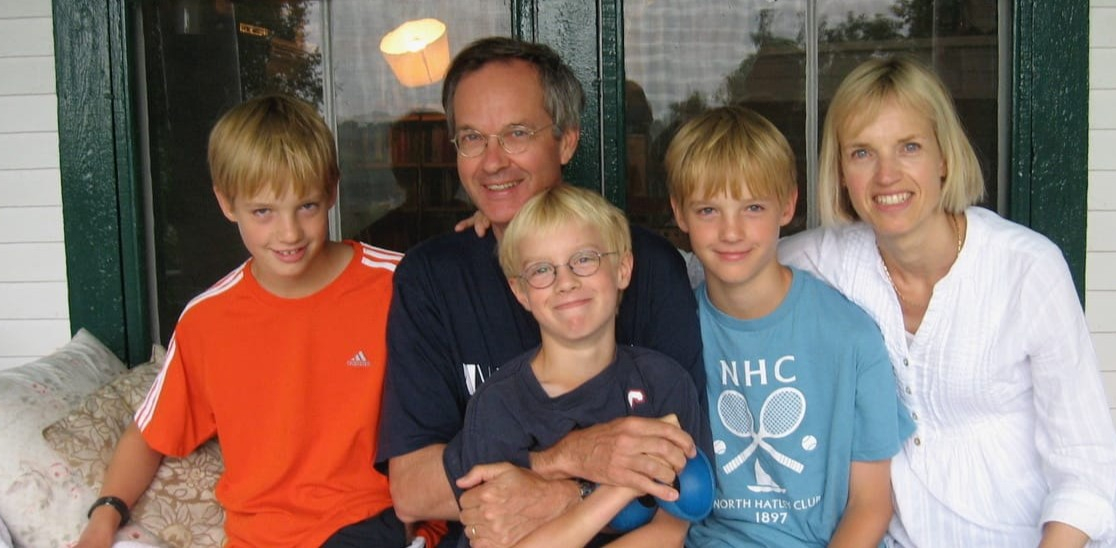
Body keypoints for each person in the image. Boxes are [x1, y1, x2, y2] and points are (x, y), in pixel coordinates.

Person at [778, 57, 1116, 546]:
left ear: (944, 157)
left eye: (909, 147)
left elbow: (1086, 463)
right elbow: (734, 257)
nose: (887, 175)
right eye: (862, 153)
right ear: (841, 172)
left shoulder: (1027, 269)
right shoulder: (830, 261)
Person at [76, 94, 443, 548]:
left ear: (332, 190)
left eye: (307, 206)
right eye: (263, 212)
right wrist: (103, 518)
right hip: (259, 539)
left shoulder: (400, 286)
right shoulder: (207, 320)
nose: (289, 233)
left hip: (376, 527)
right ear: (226, 202)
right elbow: (149, 434)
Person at [380, 36, 704, 548]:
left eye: (517, 133)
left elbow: (684, 481)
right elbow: (413, 491)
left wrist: (563, 496)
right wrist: (568, 459)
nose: (492, 162)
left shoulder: (647, 266)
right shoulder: (432, 279)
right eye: (472, 138)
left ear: (567, 141)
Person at [665, 106, 914, 547]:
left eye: (753, 207)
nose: (731, 231)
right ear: (679, 214)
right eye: (708, 210)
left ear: (788, 205)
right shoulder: (676, 334)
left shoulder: (850, 336)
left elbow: (871, 504)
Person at [447, 185, 711, 547]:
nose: (566, 282)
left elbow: (669, 531)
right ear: (521, 292)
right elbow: (498, 533)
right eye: (542, 269)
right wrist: (620, 489)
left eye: (584, 259)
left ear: (623, 269)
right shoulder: (498, 404)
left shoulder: (664, 383)